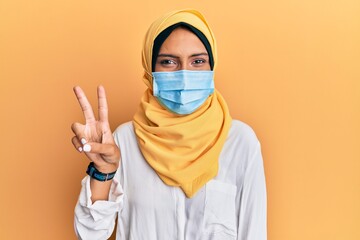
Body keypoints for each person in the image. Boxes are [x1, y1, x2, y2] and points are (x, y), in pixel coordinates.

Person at [72, 9, 267, 240]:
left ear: (211, 67)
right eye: (168, 61)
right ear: (150, 70)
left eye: (198, 61)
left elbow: (253, 233)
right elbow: (89, 235)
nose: (184, 75)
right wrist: (103, 172)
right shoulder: (124, 141)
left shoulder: (240, 142)